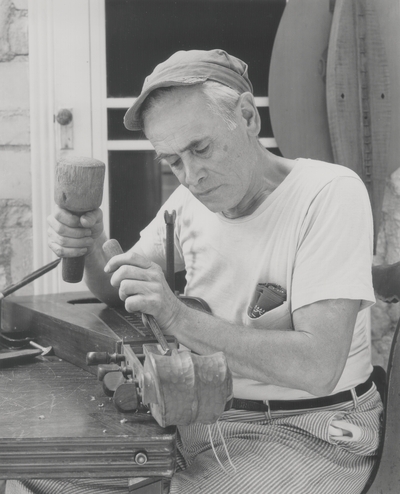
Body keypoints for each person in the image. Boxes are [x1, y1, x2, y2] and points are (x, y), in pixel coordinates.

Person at [8, 49, 382, 494]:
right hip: (195, 416)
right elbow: (121, 289)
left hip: (309, 427)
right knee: (34, 463)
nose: (191, 175)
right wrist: (90, 242)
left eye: (200, 148)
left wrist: (178, 316)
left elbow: (318, 366)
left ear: (246, 117)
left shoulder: (328, 194)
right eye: (172, 161)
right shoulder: (190, 202)